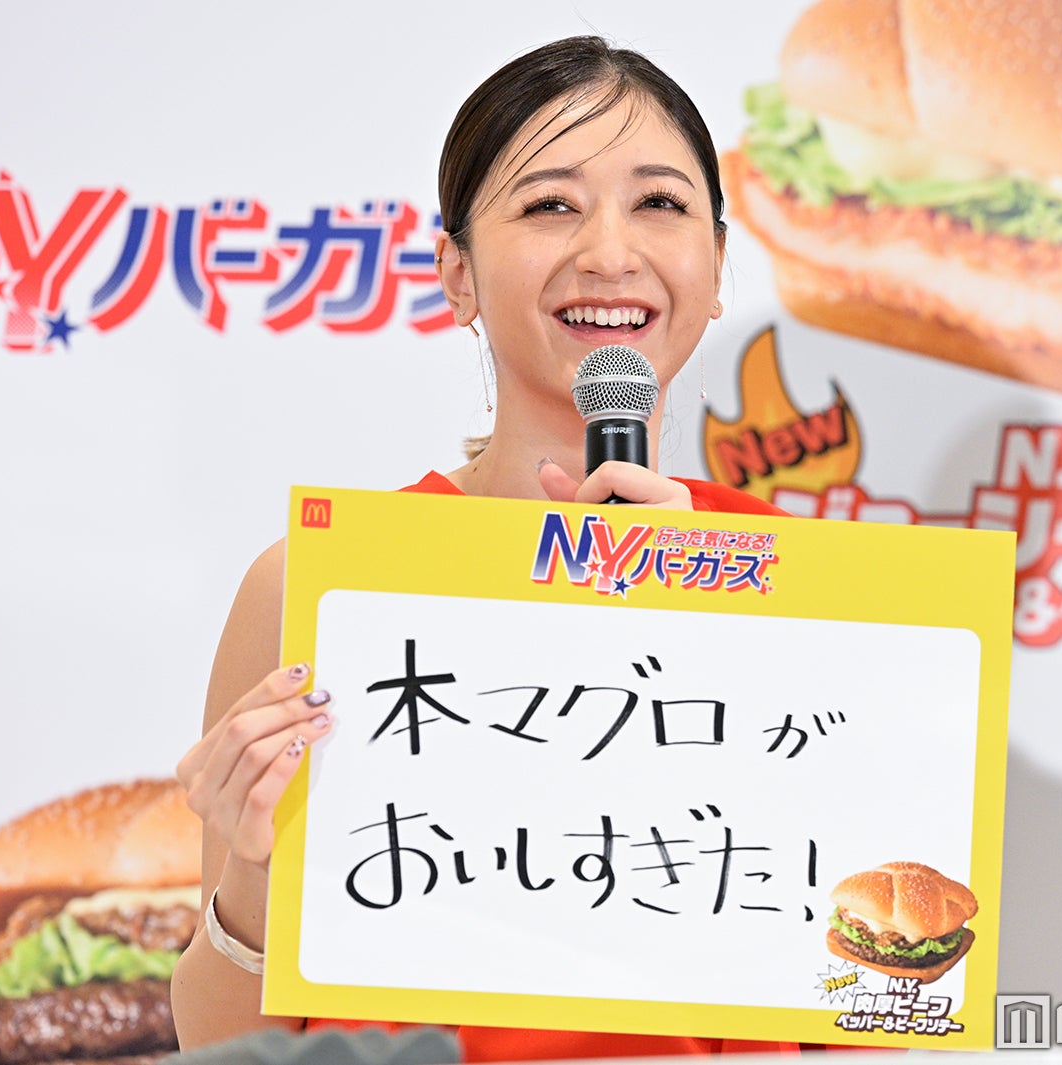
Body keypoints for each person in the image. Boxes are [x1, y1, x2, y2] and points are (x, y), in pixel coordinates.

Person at [173, 36, 802, 1061]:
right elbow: (223, 1045)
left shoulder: (810, 589)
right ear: (456, 273)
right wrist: (250, 877)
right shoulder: (323, 588)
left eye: (659, 202)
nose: (610, 252)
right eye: (550, 204)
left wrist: (701, 620)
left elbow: (876, 1010)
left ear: (719, 265)